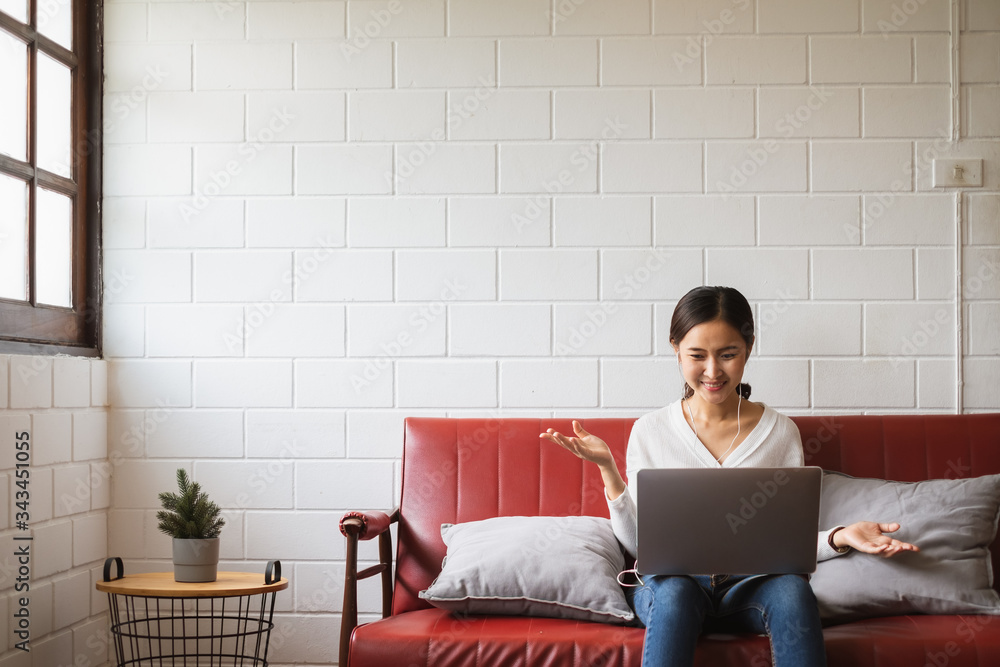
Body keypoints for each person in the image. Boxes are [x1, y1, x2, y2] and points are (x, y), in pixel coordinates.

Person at [540, 285, 919, 667]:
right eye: (697, 356)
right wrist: (609, 471)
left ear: (748, 348)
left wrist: (840, 536)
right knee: (674, 594)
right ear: (675, 349)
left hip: (750, 588)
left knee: (792, 590)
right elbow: (641, 546)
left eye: (727, 355)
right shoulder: (650, 431)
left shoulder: (780, 433)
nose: (712, 371)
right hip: (675, 589)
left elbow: (787, 544)